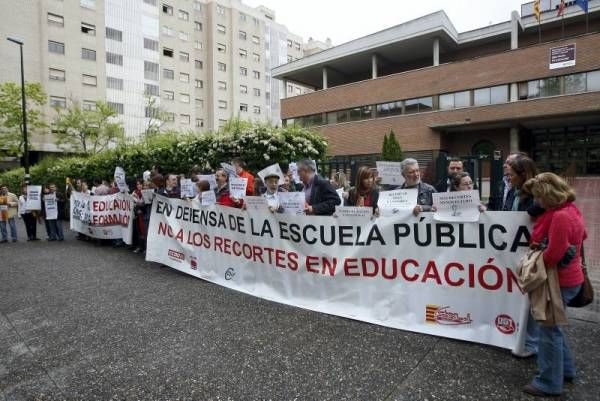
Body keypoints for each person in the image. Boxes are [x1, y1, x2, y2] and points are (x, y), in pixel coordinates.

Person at [519, 173, 586, 397]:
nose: (537, 202)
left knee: (548, 332)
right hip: (570, 278)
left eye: (539, 197)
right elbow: (581, 236)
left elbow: (553, 256)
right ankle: (565, 370)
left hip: (558, 281)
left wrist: (535, 262)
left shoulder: (559, 217)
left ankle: (548, 381)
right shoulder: (571, 210)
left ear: (548, 195)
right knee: (553, 328)